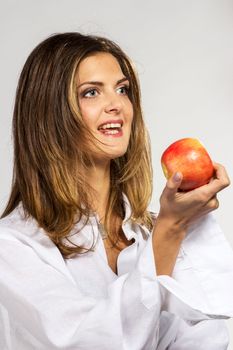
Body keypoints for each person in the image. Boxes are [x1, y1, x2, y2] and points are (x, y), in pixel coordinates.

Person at [0, 32, 232, 350]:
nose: (116, 105)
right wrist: (170, 229)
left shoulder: (153, 230)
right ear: (50, 113)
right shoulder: (12, 246)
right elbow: (88, 341)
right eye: (91, 92)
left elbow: (206, 336)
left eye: (122, 90)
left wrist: (176, 227)